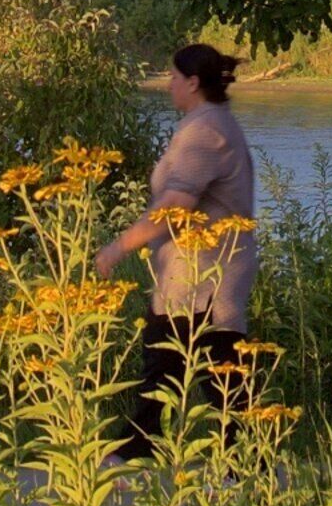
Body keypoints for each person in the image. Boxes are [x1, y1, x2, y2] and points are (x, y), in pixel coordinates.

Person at [94, 42, 256, 454]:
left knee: (204, 365)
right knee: (178, 362)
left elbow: (174, 207)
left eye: (173, 77)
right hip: (198, 269)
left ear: (193, 82)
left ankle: (235, 454)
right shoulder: (212, 121)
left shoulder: (204, 131)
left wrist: (118, 247)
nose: (168, 85)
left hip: (204, 271)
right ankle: (148, 443)